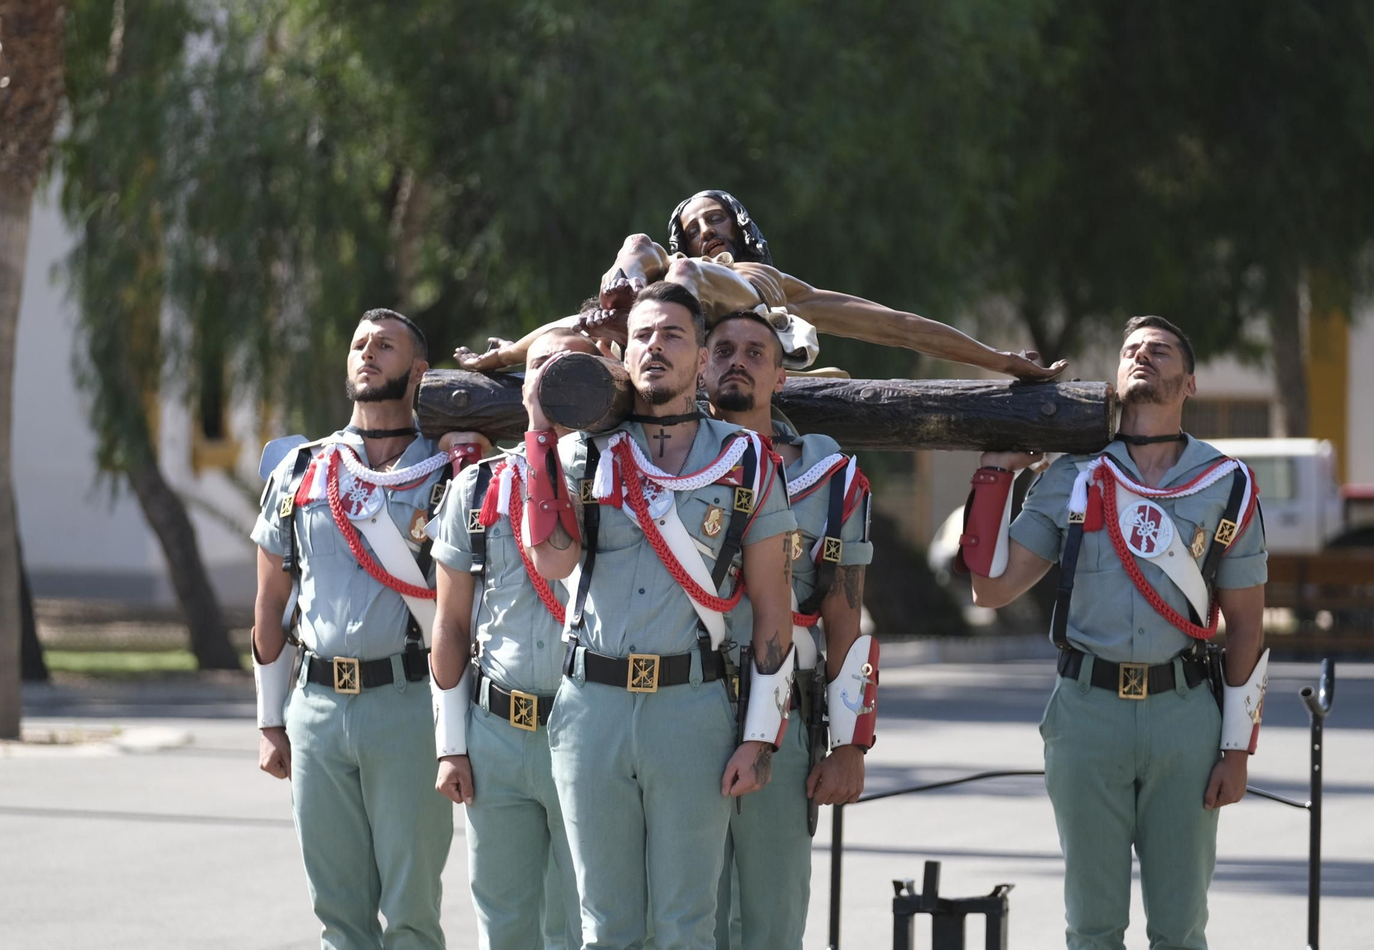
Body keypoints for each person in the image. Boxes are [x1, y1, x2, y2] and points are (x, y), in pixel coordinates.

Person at [959, 315, 1268, 950]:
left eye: (1160, 351)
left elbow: (1246, 627)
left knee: (1181, 927)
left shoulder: (1225, 484)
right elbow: (990, 589)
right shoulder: (1074, 476)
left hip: (1184, 716)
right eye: (1131, 350)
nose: (1142, 357)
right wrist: (995, 475)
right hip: (1087, 714)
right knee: (1092, 926)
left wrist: (1237, 750)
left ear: (1190, 383)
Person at [521, 281, 800, 950]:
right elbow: (553, 561)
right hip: (592, 707)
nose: (655, 346)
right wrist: (538, 431)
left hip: (691, 708)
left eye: (673, 335)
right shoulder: (583, 454)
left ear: (702, 360)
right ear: (622, 354)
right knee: (604, 928)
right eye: (642, 335)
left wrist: (760, 738)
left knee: (685, 927)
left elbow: (773, 610)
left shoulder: (746, 462)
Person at [252, 309, 454, 950]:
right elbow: (270, 603)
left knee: (412, 914)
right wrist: (270, 721)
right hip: (315, 708)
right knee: (337, 917)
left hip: (408, 707)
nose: (367, 353)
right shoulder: (301, 469)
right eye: (359, 343)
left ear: (418, 372)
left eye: (385, 346)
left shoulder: (450, 472)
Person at [455, 189, 1064, 381]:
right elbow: (567, 324)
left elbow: (897, 326)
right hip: (664, 318)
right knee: (639, 249)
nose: (705, 230)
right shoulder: (670, 266)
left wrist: (998, 360)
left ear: (739, 226)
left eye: (715, 219)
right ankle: (631, 295)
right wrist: (505, 355)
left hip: (741, 310)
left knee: (679, 274)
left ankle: (642, 317)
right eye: (693, 228)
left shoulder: (777, 283)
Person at [703, 311, 879, 950]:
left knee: (772, 925)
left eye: (756, 352)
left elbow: (843, 614)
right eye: (723, 349)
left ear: (781, 375)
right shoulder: (658, 460)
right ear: (699, 366)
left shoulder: (830, 480)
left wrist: (851, 745)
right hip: (678, 709)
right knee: (679, 923)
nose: (737, 361)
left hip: (784, 720)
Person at [426, 329, 604, 949]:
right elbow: (451, 624)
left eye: (567, 364)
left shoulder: (618, 482)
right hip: (497, 733)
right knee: (503, 923)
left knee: (583, 923)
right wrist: (451, 745)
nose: (550, 376)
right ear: (522, 384)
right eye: (538, 365)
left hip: (588, 730)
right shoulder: (477, 487)